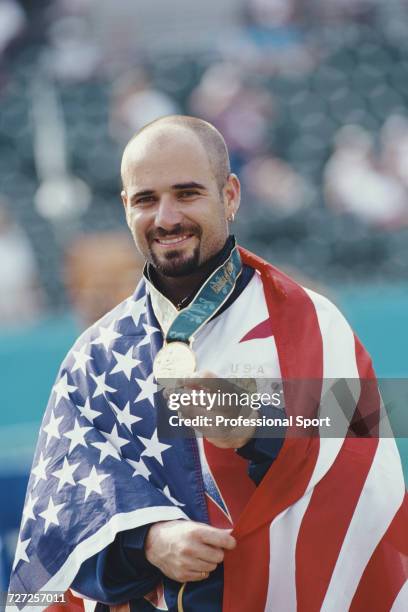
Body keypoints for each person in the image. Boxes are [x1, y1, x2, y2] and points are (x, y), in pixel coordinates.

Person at [9, 116, 407, 612]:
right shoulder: (95, 357)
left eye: (188, 193)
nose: (167, 218)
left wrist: (255, 426)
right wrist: (149, 543)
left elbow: (366, 449)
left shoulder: (308, 320)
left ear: (231, 195)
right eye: (146, 200)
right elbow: (56, 530)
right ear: (125, 207)